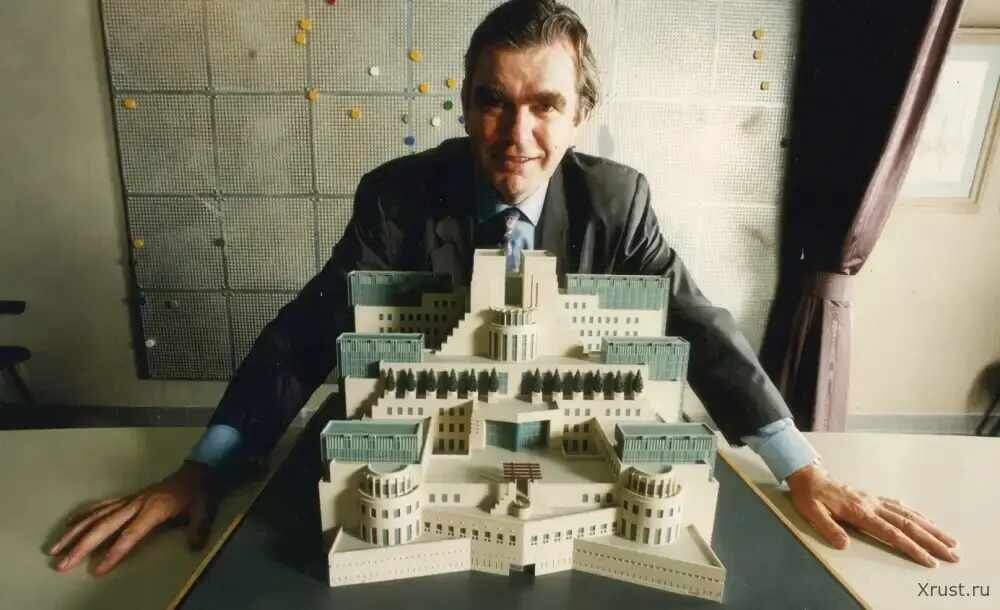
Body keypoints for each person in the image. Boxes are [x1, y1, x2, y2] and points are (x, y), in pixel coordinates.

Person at [50, 0, 958, 577]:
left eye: (544, 104)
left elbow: (698, 326)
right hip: (409, 476)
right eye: (494, 100)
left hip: (568, 466)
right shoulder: (398, 196)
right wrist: (202, 467)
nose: (515, 133)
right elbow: (306, 334)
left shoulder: (617, 201)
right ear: (465, 101)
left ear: (580, 114)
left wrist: (799, 465)